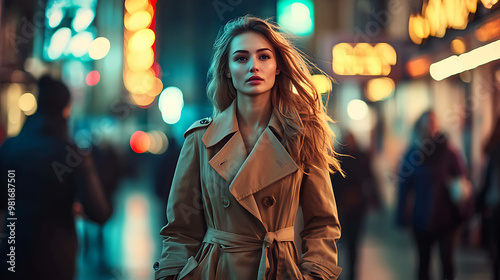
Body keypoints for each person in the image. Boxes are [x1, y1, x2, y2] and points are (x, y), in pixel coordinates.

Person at [154, 15, 343, 280]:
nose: (254, 65)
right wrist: (172, 274)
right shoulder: (200, 139)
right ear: (228, 70)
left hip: (279, 270)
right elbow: (180, 229)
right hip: (217, 270)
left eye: (264, 57)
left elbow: (322, 223)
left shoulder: (302, 135)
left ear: (278, 66)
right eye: (241, 58)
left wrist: (315, 274)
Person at [0, 75, 112, 280]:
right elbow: (99, 212)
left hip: (13, 254)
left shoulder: (10, 148)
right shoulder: (72, 155)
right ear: (65, 109)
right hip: (55, 259)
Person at [396, 110, 471, 280]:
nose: (430, 128)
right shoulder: (413, 154)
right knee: (423, 263)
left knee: (447, 262)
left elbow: (462, 179)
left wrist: (464, 209)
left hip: (446, 217)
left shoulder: (449, 153)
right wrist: (401, 216)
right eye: (427, 123)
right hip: (421, 217)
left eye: (433, 123)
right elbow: (404, 186)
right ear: (420, 127)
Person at [331, 131, 380, 280]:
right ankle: (337, 273)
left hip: (357, 208)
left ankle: (352, 274)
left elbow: (370, 178)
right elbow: (333, 184)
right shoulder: (337, 158)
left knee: (353, 243)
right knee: (340, 243)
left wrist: (375, 198)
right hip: (342, 207)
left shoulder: (362, 157)